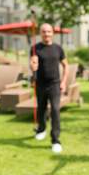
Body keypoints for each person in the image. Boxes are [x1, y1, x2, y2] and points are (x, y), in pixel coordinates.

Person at [30, 23, 68, 154]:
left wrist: (63, 82)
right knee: (41, 108)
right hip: (40, 84)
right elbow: (33, 65)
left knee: (55, 110)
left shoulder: (58, 48)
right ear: (40, 33)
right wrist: (33, 66)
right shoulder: (35, 48)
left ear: (53, 33)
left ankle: (55, 140)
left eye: (49, 31)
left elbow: (66, 66)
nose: (46, 34)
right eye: (44, 32)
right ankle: (41, 129)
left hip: (55, 84)